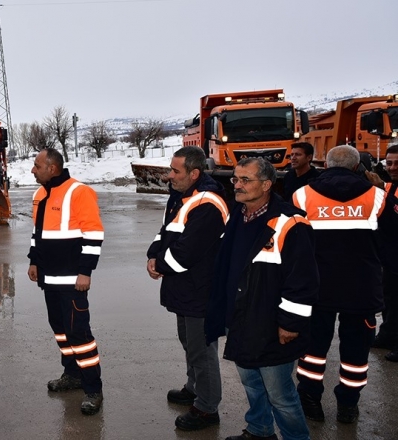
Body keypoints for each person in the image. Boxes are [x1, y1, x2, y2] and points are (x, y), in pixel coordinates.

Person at [205, 157, 318, 440]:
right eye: (235, 179)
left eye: (245, 180)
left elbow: (302, 280)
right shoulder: (237, 215)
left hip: (270, 322)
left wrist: (290, 323)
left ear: (267, 185)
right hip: (240, 316)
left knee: (280, 394)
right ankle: (259, 430)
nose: (237, 186)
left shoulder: (289, 222)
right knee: (252, 383)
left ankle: (296, 437)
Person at [293, 145, 387, 424]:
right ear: (358, 167)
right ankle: (348, 404)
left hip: (316, 287)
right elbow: (388, 243)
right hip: (362, 288)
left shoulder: (302, 195)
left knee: (313, 346)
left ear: (326, 164)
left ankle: (309, 399)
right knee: (356, 349)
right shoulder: (377, 197)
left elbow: (293, 244)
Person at [146, 146, 228, 431]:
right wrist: (152, 254)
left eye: (175, 171)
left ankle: (207, 408)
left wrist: (160, 265)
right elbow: (165, 232)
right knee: (189, 344)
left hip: (200, 290)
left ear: (194, 173)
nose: (170, 176)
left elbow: (187, 252)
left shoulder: (208, 203)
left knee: (202, 351)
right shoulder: (181, 197)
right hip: (185, 288)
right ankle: (194, 388)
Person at [27, 148, 105, 416]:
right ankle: (71, 374)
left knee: (79, 333)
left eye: (37, 166)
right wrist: (34, 261)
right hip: (49, 279)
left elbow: (93, 235)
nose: (32, 170)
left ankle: (93, 388)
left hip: (73, 280)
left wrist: (86, 272)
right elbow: (37, 235)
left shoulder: (79, 192)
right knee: (59, 329)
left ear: (52, 167)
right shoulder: (39, 194)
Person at [368, 145, 398, 360]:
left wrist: (380, 193)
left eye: (397, 163)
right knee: (388, 298)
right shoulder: (388, 186)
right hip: (388, 256)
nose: (393, 167)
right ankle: (387, 334)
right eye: (389, 163)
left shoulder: (386, 190)